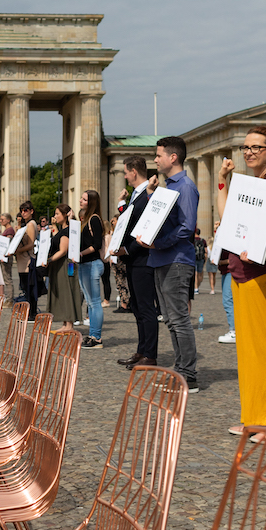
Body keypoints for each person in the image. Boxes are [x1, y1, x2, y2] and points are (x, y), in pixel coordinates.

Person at [217, 127, 266, 444]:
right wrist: (223, 179)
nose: (248, 152)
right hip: (240, 271)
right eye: (245, 147)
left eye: (255, 147)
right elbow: (228, 216)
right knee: (248, 351)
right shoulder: (251, 184)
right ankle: (254, 417)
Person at [138, 137, 201, 392]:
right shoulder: (167, 187)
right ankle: (181, 370)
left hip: (175, 260)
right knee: (171, 320)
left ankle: (188, 375)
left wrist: (157, 243)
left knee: (179, 319)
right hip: (161, 259)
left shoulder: (184, 187)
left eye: (158, 155)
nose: (155, 159)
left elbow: (187, 228)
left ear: (172, 157)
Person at [118, 156, 159, 370]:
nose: (124, 176)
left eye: (126, 172)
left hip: (143, 258)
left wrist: (127, 248)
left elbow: (146, 228)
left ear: (134, 171)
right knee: (136, 306)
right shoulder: (137, 195)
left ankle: (150, 354)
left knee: (145, 308)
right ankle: (142, 350)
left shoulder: (147, 195)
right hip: (134, 258)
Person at [77, 190, 107, 348]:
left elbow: (95, 245)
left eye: (84, 199)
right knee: (90, 302)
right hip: (84, 264)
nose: (80, 201)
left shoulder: (94, 219)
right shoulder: (85, 219)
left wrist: (81, 252)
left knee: (94, 302)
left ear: (91, 202)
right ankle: (92, 335)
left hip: (92, 263)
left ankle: (96, 337)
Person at [46, 203, 82, 330]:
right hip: (63, 264)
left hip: (66, 265)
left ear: (64, 215)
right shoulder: (63, 230)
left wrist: (48, 260)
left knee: (67, 290)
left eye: (57, 214)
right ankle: (65, 322)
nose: (55, 216)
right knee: (63, 291)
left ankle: (69, 323)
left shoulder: (67, 231)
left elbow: (63, 251)